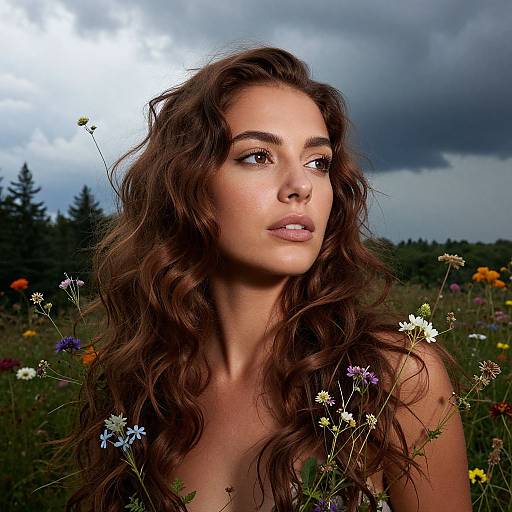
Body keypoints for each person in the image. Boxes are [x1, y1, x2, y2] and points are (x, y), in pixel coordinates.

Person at [62, 45, 472, 512]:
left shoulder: (396, 378)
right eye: (258, 156)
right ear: (187, 184)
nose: (301, 185)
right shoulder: (141, 391)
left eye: (318, 162)